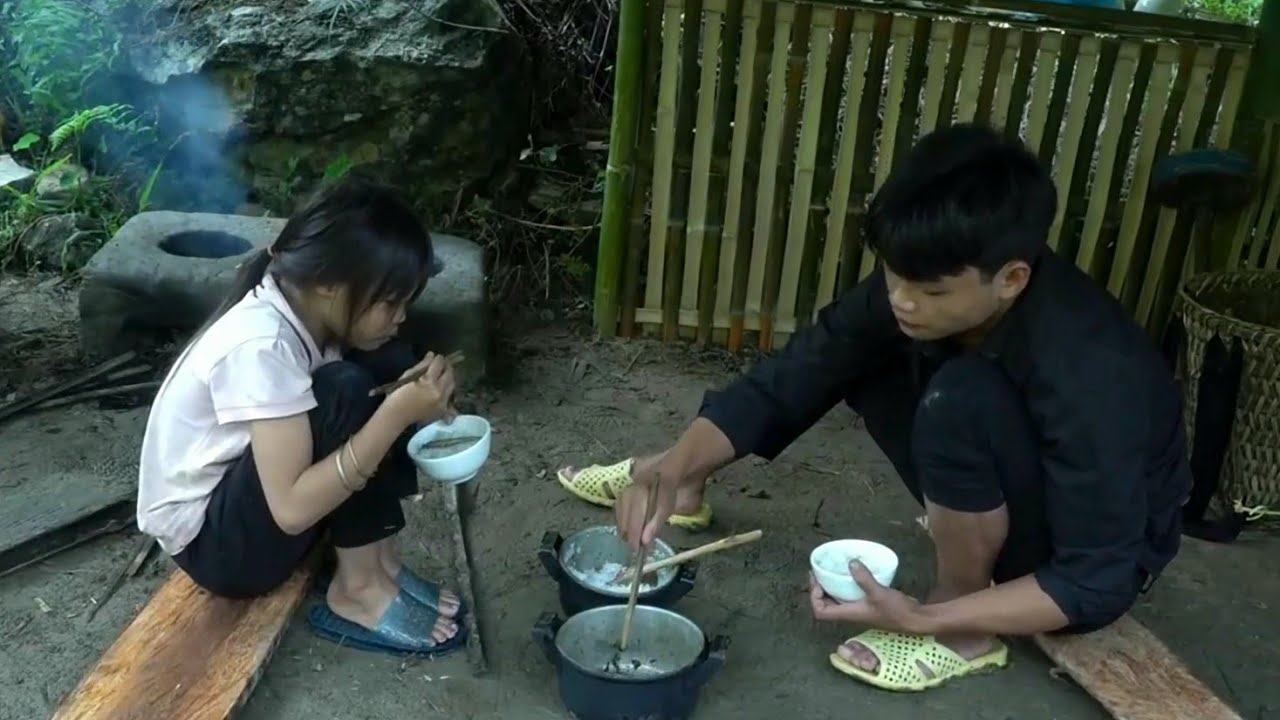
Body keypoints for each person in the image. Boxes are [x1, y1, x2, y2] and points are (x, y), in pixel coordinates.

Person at [556, 123, 1191, 691]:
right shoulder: (918, 285)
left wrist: (922, 614)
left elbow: (1097, 578)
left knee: (957, 399)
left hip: (1086, 550)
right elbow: (799, 370)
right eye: (892, 275)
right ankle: (680, 482)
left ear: (1013, 278)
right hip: (1004, 453)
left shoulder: (1090, 369)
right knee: (855, 350)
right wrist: (672, 468)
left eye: (930, 290)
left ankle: (961, 628)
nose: (903, 299)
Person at [136, 174, 467, 656]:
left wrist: (415, 406)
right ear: (330, 284)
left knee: (390, 364)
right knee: (347, 390)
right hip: (220, 550)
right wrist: (395, 416)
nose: (400, 315)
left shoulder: (304, 308)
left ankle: (378, 564)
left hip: (250, 501)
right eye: (390, 301)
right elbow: (290, 511)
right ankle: (356, 590)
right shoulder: (261, 346)